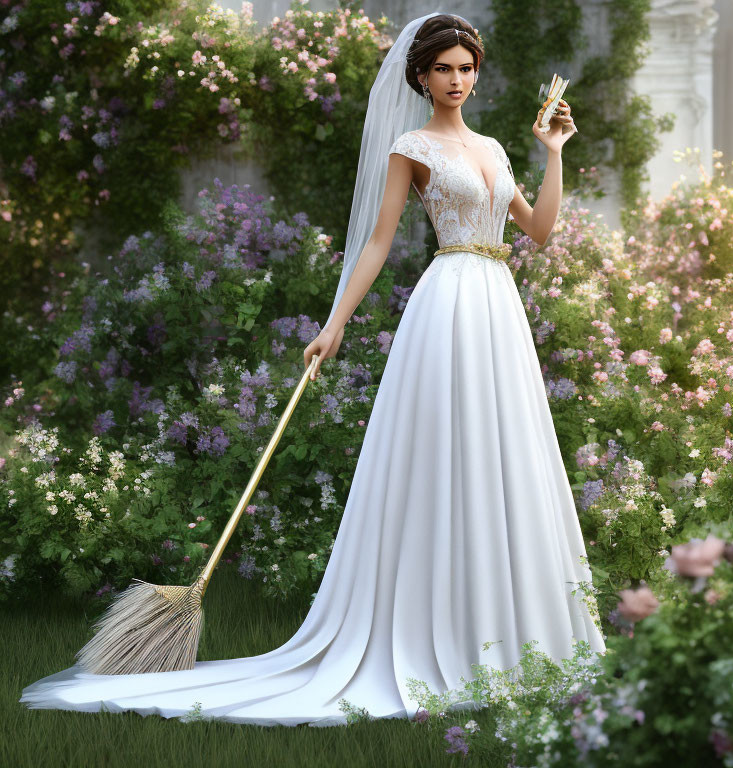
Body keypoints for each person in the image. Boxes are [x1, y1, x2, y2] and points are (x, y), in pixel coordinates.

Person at [20, 12, 603, 728]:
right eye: (445, 68)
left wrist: (553, 152)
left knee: (502, 453)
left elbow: (539, 232)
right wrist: (334, 324)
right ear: (420, 75)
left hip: (497, 309)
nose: (458, 79)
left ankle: (509, 629)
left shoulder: (492, 148)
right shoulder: (411, 146)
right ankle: (436, 626)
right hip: (447, 304)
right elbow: (377, 243)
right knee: (442, 455)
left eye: (467, 67)